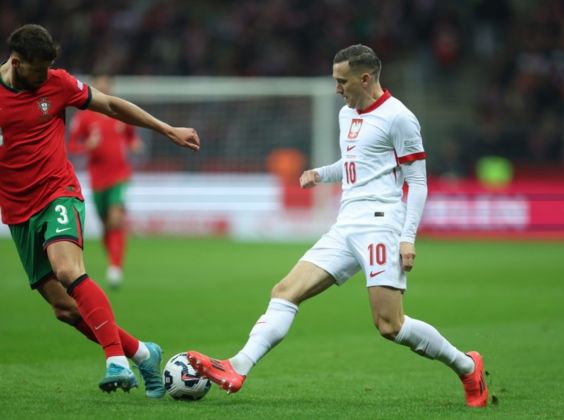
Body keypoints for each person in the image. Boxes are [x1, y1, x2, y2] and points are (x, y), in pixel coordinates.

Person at [187, 44, 489, 408]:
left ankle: (467, 366)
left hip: (381, 225)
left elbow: (418, 182)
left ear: (365, 78)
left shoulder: (399, 118)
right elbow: (354, 164)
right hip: (346, 224)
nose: (336, 89)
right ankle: (237, 366)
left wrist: (407, 238)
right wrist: (321, 173)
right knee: (284, 291)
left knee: (389, 325)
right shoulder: (348, 114)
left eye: (341, 81)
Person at [0, 24, 200, 396]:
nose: (45, 77)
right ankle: (142, 353)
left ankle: (115, 361)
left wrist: (166, 128)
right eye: (38, 71)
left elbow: (109, 103)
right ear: (16, 62)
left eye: (48, 70)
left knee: (67, 269)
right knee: (66, 310)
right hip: (17, 211)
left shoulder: (56, 83)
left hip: (57, 192)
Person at [68, 74, 143, 288]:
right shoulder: (83, 118)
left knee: (116, 219)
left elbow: (130, 135)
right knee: (106, 225)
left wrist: (133, 143)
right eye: (99, 85)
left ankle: (115, 268)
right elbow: (72, 147)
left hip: (120, 175)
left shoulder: (120, 111)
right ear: (93, 88)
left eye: (106, 85)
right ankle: (113, 261)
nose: (103, 88)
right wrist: (87, 147)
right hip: (98, 179)